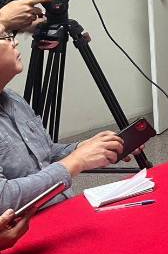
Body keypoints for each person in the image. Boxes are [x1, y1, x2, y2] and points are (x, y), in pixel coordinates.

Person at [0, 26, 141, 213]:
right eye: (4, 37)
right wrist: (75, 162)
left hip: (63, 209)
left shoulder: (12, 98)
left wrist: (85, 147)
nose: (15, 42)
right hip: (25, 226)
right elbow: (3, 198)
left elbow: (44, 153)